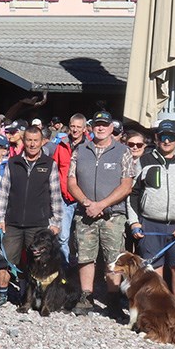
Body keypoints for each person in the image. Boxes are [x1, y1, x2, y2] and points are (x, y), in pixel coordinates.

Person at [127, 120, 175, 310]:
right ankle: (157, 311)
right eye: (163, 136)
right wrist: (134, 222)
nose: (167, 141)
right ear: (156, 138)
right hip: (150, 224)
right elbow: (133, 194)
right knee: (154, 271)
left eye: (170, 136)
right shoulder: (145, 160)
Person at [67, 112, 135, 315]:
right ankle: (86, 297)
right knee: (85, 256)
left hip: (112, 215)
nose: (101, 128)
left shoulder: (123, 151)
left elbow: (127, 185)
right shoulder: (80, 150)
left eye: (105, 124)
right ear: (91, 127)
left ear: (111, 128)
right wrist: (87, 203)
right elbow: (71, 181)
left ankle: (113, 300)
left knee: (113, 258)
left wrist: (102, 205)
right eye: (97, 124)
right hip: (85, 212)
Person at [0, 125, 63, 308]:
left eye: (35, 141)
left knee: (33, 262)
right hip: (12, 222)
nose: (32, 144)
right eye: (29, 140)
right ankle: (2, 294)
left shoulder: (49, 164)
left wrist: (56, 222)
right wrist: (0, 219)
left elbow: (55, 195)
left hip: (38, 224)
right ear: (23, 141)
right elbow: (4, 192)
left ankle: (28, 296)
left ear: (42, 142)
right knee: (6, 260)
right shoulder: (13, 162)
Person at [51, 113, 88, 263]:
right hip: (64, 198)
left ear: (84, 129)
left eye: (79, 127)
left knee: (82, 238)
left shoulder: (90, 146)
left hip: (83, 197)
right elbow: (54, 168)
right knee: (63, 237)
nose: (75, 130)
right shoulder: (61, 145)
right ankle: (65, 268)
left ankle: (82, 269)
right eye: (72, 126)